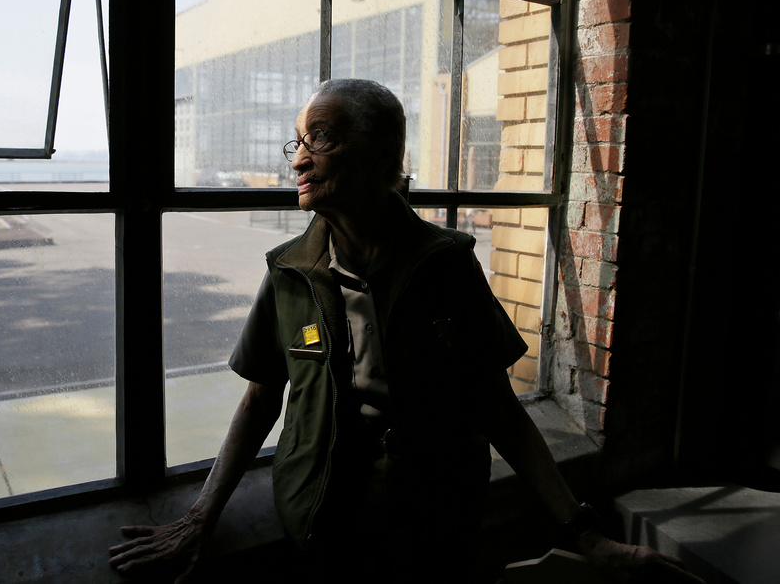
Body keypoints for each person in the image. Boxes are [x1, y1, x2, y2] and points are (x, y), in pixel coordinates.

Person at [109, 79, 700, 582]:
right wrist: (200, 517)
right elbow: (259, 400)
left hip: (434, 522)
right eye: (299, 141)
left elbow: (499, 410)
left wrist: (585, 534)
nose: (296, 159)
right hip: (321, 519)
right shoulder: (290, 273)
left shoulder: (445, 267)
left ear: (378, 152)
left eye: (320, 138)